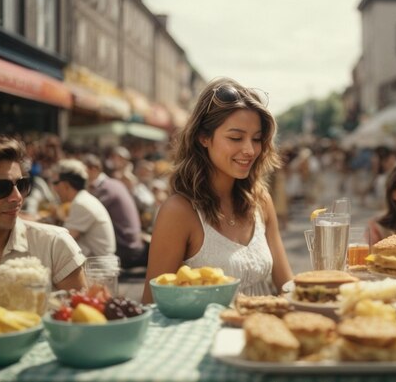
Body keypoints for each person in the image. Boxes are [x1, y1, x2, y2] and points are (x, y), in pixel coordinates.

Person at [142, 77, 293, 303]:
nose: (250, 150)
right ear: (204, 137)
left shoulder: (260, 199)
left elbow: (286, 286)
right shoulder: (179, 212)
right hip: (206, 336)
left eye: (257, 139)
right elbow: (152, 304)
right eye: (235, 138)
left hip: (262, 333)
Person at [0, 135, 86, 302]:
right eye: (2, 188)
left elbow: (85, 320)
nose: (17, 197)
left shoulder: (54, 245)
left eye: (21, 185)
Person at [83, 154, 147, 269]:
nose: (80, 175)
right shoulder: (111, 183)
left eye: (82, 171)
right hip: (131, 245)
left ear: (93, 169)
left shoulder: (105, 188)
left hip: (126, 248)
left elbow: (86, 214)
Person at [52, 159, 116, 257]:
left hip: (98, 269)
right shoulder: (83, 199)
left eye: (56, 183)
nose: (54, 188)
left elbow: (62, 242)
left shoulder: (81, 204)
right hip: (97, 265)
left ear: (66, 184)